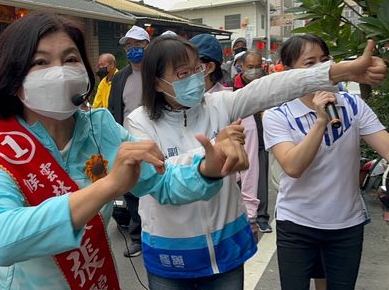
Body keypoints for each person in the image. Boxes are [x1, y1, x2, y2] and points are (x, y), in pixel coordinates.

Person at [0, 12, 250, 290]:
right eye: (41, 62)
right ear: (14, 74)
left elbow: (161, 179)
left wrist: (206, 169)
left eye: (70, 59)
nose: (59, 72)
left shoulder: (99, 127)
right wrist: (109, 186)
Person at [125, 34, 386, 290]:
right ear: (157, 83)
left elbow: (271, 88)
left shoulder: (220, 105)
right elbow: (158, 179)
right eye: (183, 74)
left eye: (197, 69)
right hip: (170, 251)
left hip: (225, 248)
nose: (195, 79)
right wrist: (213, 151)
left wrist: (341, 71)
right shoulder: (140, 121)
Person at [263, 34, 389, 290]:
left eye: (324, 60)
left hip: (346, 225)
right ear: (289, 72)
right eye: (309, 63)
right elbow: (293, 167)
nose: (321, 68)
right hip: (297, 224)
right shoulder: (277, 115)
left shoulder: (353, 105)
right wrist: (320, 121)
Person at [191, 34, 260, 237]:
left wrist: (251, 213)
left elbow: (250, 163)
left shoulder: (233, 103)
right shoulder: (181, 106)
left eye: (191, 65)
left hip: (228, 201)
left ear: (208, 67)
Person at [108, 25, 150, 257]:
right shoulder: (121, 77)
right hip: (128, 141)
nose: (133, 49)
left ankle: (158, 232)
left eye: (138, 44)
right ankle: (137, 238)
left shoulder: (158, 72)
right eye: (129, 46)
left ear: (148, 45)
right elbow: (115, 109)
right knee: (131, 190)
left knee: (155, 187)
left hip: (156, 141)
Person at [232, 51, 273, 233]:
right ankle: (241, 214)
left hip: (263, 135)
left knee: (260, 176)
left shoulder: (267, 83)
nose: (254, 71)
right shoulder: (233, 85)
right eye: (250, 67)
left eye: (258, 67)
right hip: (242, 136)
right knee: (239, 177)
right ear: (241, 66)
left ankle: (261, 216)